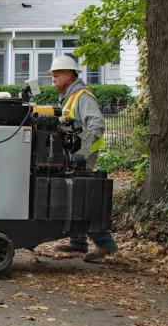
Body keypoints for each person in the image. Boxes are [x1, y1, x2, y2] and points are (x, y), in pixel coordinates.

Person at [49, 55, 118, 261]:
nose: (53, 79)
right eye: (52, 75)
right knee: (74, 194)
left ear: (70, 75)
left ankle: (105, 244)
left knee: (80, 198)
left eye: (57, 75)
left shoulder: (83, 96)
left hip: (81, 157)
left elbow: (96, 125)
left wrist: (82, 154)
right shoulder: (70, 96)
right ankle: (77, 242)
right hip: (74, 156)